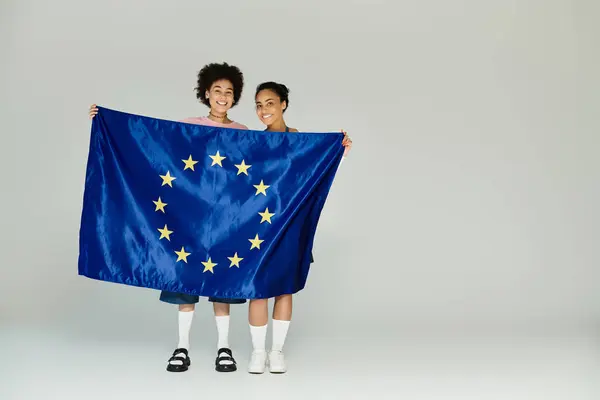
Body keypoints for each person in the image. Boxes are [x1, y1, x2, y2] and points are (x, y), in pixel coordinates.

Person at [88, 62, 248, 373]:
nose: (223, 97)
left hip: (226, 220)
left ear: (234, 97)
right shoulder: (187, 125)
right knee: (184, 278)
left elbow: (263, 165)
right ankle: (182, 346)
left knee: (223, 283)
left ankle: (224, 348)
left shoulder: (242, 133)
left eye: (229, 93)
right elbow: (156, 147)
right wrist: (106, 121)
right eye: (218, 91)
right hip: (188, 218)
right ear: (206, 93)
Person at [248, 81, 352, 374]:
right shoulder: (253, 144)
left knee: (284, 287)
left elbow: (319, 172)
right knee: (257, 288)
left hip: (291, 223)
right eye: (258, 105)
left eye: (269, 103)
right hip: (260, 225)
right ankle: (258, 352)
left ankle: (276, 351)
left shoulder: (303, 142)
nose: (263, 110)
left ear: (283, 104)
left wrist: (338, 149)